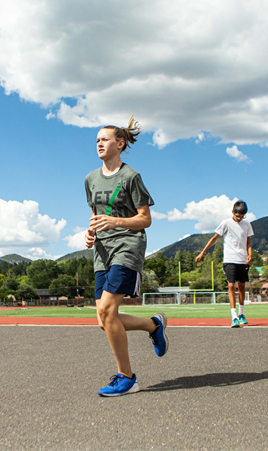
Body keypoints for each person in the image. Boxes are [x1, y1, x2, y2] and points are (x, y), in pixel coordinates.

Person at [85, 117, 168, 396]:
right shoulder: (90, 179)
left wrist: (115, 222)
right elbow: (96, 216)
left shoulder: (131, 177)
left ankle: (126, 377)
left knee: (108, 311)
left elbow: (145, 219)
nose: (99, 143)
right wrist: (90, 233)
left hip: (127, 248)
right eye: (96, 139)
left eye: (104, 139)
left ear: (120, 144)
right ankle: (153, 325)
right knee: (103, 319)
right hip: (102, 252)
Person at [196, 200, 254, 327]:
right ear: (232, 212)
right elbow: (214, 239)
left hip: (242, 260)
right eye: (238, 216)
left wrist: (250, 254)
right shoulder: (225, 223)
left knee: (242, 286)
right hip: (229, 260)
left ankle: (241, 314)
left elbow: (248, 242)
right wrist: (202, 252)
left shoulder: (247, 224)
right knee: (231, 286)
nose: (240, 218)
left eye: (242, 216)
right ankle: (234, 316)